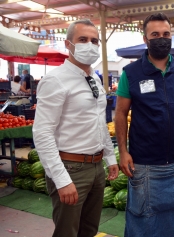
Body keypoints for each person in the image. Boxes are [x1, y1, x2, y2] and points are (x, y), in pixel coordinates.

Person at [115, 12, 174, 237]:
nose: (161, 38)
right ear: (146, 39)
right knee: (143, 220)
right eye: (155, 34)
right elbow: (121, 113)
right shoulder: (131, 73)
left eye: (166, 34)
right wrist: (123, 151)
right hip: (144, 163)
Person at [32, 19, 119, 237]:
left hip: (96, 166)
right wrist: (61, 179)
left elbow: (100, 122)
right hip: (70, 167)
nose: (90, 45)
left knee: (89, 230)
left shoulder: (94, 79)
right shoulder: (55, 80)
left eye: (94, 41)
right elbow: (42, 133)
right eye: (83, 39)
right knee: (67, 232)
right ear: (68, 44)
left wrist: (110, 158)